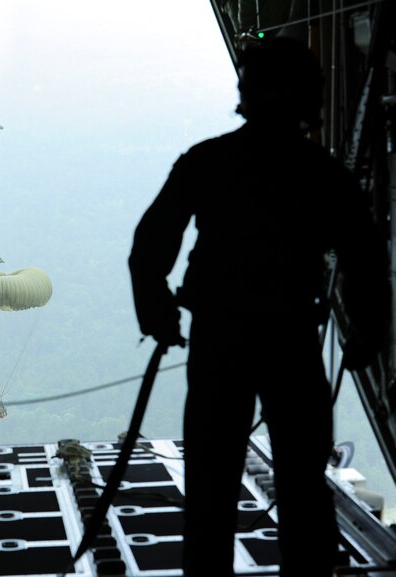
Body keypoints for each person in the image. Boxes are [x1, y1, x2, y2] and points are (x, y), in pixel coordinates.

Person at [127, 36, 389, 577]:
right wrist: (367, 333)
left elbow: (149, 249)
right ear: (308, 100)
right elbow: (365, 258)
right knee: (301, 485)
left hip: (220, 339)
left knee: (210, 482)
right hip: (291, 340)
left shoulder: (208, 161)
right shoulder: (323, 174)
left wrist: (159, 316)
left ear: (248, 93)